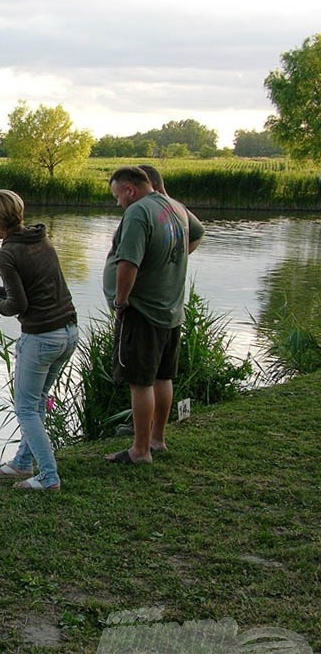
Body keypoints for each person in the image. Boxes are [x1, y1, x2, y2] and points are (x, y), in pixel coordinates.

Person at [0, 189, 79, 491]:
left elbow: (19, 305)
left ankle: (49, 477)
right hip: (69, 331)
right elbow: (36, 283)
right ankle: (22, 462)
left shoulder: (6, 252)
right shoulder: (39, 238)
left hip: (42, 337)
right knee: (35, 405)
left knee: (25, 408)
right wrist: (0, 291)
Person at [102, 166, 204, 464]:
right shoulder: (174, 206)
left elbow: (127, 264)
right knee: (163, 376)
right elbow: (196, 235)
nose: (118, 202)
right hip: (170, 308)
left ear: (130, 189)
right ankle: (157, 439)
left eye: (117, 195)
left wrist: (120, 303)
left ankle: (140, 450)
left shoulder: (138, 213)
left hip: (143, 311)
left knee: (140, 381)